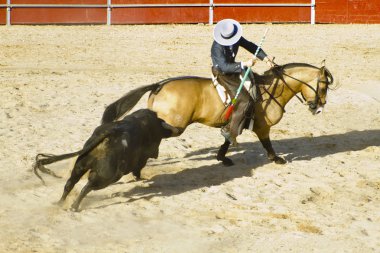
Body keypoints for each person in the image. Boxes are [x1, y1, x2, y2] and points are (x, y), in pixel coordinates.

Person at [211, 19, 274, 145]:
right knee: (245, 100)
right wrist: (244, 63)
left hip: (233, 69)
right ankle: (229, 130)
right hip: (222, 73)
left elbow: (250, 46)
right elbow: (223, 66)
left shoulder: (235, 36)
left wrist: (266, 58)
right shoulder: (217, 47)